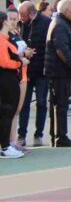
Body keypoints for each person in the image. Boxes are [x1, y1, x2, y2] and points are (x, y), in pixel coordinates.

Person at [44, 0, 71, 147]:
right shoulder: (60, 25)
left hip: (58, 70)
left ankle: (58, 135)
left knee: (60, 104)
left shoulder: (64, 23)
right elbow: (62, 50)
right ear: (67, 10)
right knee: (60, 105)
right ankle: (60, 136)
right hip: (58, 71)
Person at [17, 1, 51, 148]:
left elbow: (49, 46)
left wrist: (46, 66)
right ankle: (21, 134)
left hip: (42, 70)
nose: (20, 17)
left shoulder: (46, 22)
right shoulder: (20, 24)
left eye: (23, 15)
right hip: (26, 70)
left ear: (31, 13)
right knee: (24, 103)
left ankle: (39, 134)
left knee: (42, 102)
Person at [1, 10, 28, 158]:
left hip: (12, 78)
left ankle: (6, 145)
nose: (11, 21)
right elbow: (4, 62)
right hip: (6, 79)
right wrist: (20, 62)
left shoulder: (6, 38)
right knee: (7, 112)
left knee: (9, 112)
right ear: (4, 21)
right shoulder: (2, 39)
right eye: (8, 19)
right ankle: (5, 147)